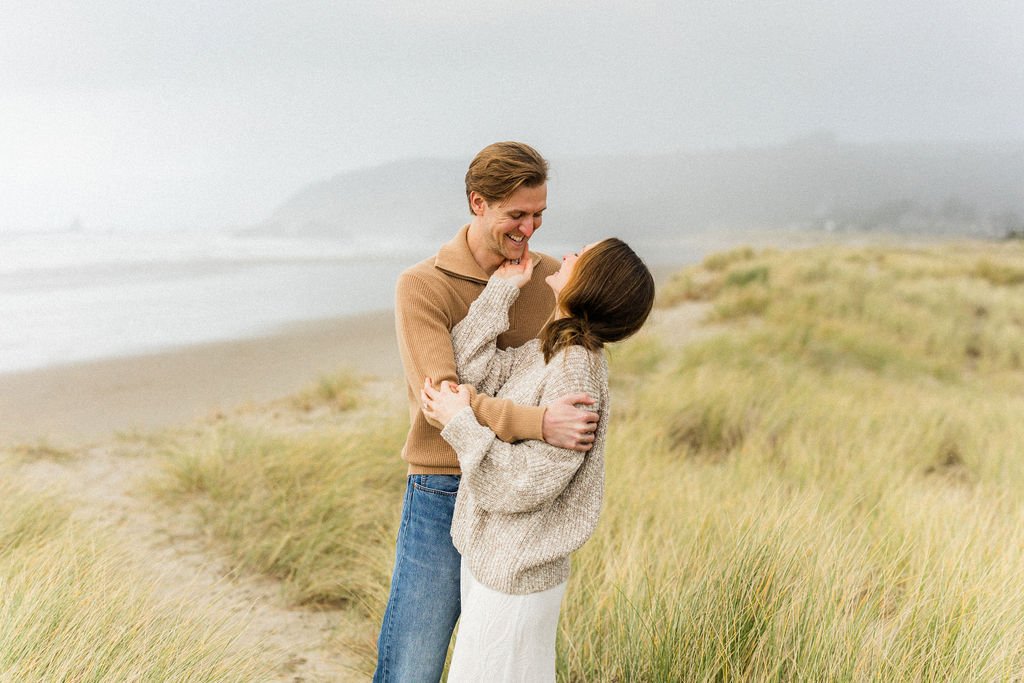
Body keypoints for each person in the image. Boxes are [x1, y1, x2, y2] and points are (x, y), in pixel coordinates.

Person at [373, 142, 601, 683]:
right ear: (478, 202)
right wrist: (538, 422)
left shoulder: (553, 280)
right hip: (443, 485)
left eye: (539, 215)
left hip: (515, 496)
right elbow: (442, 401)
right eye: (516, 215)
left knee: (494, 658)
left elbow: (575, 364)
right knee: (415, 662)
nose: (529, 230)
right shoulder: (422, 285)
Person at [421, 237, 656, 681]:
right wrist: (502, 290)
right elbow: (473, 373)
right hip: (495, 563)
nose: (570, 253)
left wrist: (460, 423)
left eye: (582, 255)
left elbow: (524, 483)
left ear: (592, 281)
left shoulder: (576, 368)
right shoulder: (555, 350)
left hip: (517, 574)